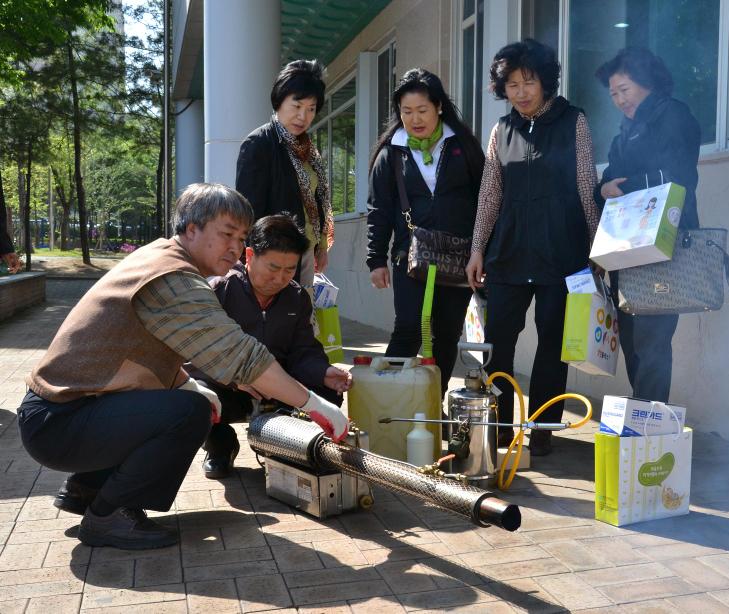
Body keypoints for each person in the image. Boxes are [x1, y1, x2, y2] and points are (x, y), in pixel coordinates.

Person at [16, 183, 348, 551]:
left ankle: (87, 488)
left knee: (189, 400)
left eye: (240, 237)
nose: (235, 247)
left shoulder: (163, 257)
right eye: (227, 235)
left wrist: (189, 383)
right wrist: (316, 407)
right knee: (187, 413)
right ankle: (111, 514)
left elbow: (153, 351)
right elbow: (241, 354)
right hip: (60, 421)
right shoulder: (175, 278)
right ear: (191, 229)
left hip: (63, 412)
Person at [465, 39, 600, 456]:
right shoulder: (500, 130)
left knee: (553, 341)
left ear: (545, 82)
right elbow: (489, 193)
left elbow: (585, 185)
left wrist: (599, 248)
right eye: (512, 85)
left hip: (562, 250)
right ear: (502, 89)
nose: (521, 92)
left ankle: (542, 426)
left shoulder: (573, 120)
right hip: (509, 250)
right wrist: (476, 250)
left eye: (529, 82)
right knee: (499, 341)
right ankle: (501, 424)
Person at [190, 214, 352, 479]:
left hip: (276, 389)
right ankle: (221, 445)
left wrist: (324, 372)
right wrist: (234, 378)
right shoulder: (219, 290)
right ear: (250, 256)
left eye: (289, 270)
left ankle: (285, 445)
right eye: (273, 268)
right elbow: (194, 355)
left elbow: (303, 351)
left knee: (326, 391)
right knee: (194, 400)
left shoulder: (297, 298)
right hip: (227, 388)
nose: (280, 278)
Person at [366, 68, 485, 396]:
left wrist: (483, 250)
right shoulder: (391, 153)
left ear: (439, 107)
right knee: (408, 330)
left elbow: (486, 199)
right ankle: (387, 401)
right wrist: (375, 259)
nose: (415, 119)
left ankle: (433, 401)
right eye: (406, 112)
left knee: (446, 335)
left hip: (458, 257)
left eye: (422, 110)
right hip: (410, 258)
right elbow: (379, 210)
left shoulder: (463, 146)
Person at [594, 47, 702, 402]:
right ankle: (642, 409)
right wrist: (604, 188)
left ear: (648, 83)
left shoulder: (674, 115)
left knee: (653, 339)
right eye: (613, 94)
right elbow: (608, 180)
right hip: (627, 249)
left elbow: (679, 176)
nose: (618, 100)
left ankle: (649, 418)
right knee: (630, 337)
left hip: (664, 245)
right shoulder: (624, 131)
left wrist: (621, 187)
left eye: (624, 89)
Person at [236, 59, 333, 288]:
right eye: (297, 106)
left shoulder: (309, 151)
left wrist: (321, 245)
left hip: (305, 253)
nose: (303, 116)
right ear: (279, 101)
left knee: (300, 317)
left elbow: (317, 203)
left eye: (311, 109)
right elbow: (249, 213)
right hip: (274, 259)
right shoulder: (258, 144)